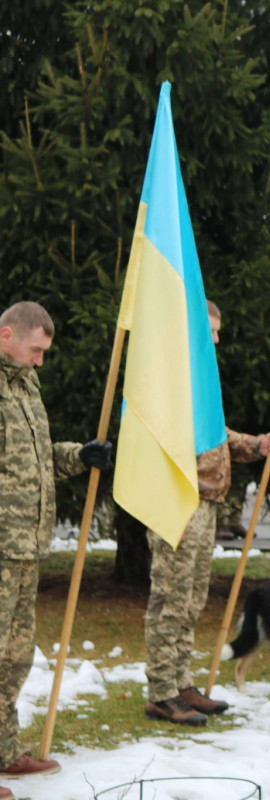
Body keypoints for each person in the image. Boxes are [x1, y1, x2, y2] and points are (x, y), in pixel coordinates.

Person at [143, 301, 270, 727]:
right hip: (178, 501)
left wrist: (256, 445)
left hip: (207, 502)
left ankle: (182, 682)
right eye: (210, 331)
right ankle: (161, 692)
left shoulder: (200, 381)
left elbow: (215, 436)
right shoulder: (170, 378)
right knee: (170, 598)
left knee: (190, 599)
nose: (217, 340)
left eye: (219, 331)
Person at [0, 302, 111, 791]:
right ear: (6, 335)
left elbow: (37, 458)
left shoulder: (24, 384)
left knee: (15, 656)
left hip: (25, 547)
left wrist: (78, 455)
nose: (41, 360)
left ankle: (4, 749)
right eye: (36, 350)